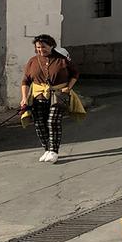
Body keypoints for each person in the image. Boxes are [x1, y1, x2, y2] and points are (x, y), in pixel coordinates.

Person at [19, 34, 78, 163]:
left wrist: (68, 87)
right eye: (38, 47)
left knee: (52, 121)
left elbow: (75, 74)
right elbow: (25, 81)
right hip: (38, 95)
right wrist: (24, 98)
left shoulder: (62, 59)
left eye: (44, 47)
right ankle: (47, 149)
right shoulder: (32, 61)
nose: (41, 50)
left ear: (51, 46)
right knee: (40, 123)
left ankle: (54, 151)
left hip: (58, 95)